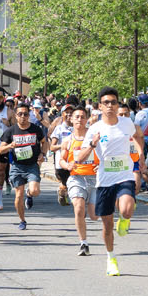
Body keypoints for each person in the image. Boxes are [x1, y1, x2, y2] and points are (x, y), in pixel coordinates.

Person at [75, 86, 144, 277]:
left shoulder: (126, 122)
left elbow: (138, 135)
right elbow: (80, 157)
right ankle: (111, 258)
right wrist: (92, 144)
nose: (110, 106)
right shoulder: (94, 129)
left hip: (124, 175)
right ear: (99, 106)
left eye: (114, 102)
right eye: (106, 103)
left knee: (126, 209)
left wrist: (141, 153)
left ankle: (125, 218)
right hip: (104, 179)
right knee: (106, 225)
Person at [0, 103, 46, 229]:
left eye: (25, 114)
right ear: (15, 115)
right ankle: (22, 220)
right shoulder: (10, 131)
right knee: (19, 195)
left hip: (32, 165)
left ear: (29, 115)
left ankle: (29, 195)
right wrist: (10, 146)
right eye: (20, 114)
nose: (23, 116)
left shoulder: (36, 129)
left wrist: (43, 153)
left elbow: (44, 142)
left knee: (35, 190)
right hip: (17, 166)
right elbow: (1, 150)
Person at [58, 106, 97, 255]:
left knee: (94, 216)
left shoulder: (94, 138)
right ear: (71, 119)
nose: (79, 119)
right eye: (77, 117)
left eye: (82, 117)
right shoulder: (68, 140)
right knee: (79, 208)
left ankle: (90, 209)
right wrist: (66, 165)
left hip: (95, 179)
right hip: (76, 178)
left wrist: (102, 167)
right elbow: (61, 159)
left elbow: (105, 155)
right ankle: (84, 243)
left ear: (86, 120)